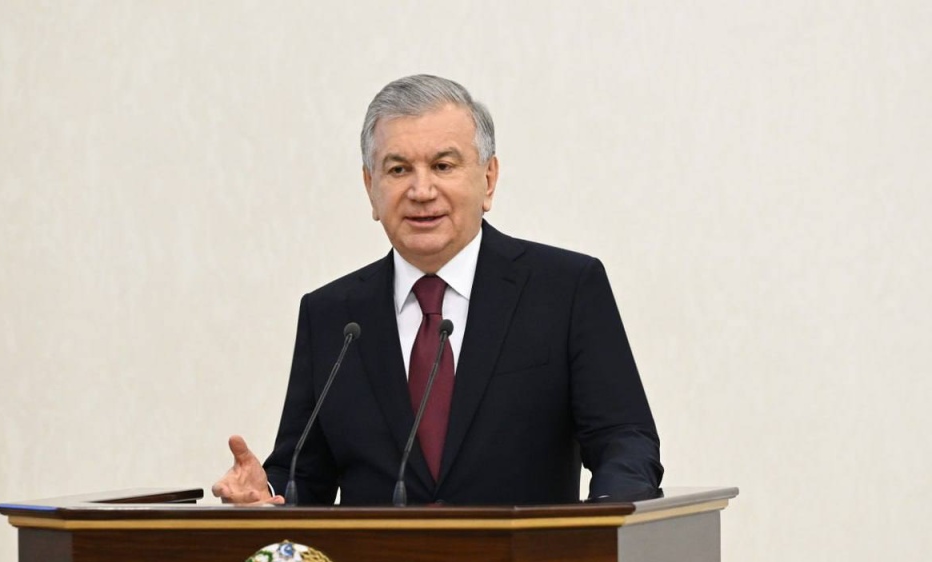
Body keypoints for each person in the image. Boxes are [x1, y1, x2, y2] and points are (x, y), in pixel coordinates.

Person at [212, 75, 662, 506]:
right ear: (371, 187)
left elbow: (625, 439)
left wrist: (607, 516)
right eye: (399, 169)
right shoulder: (333, 316)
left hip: (525, 558)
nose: (421, 190)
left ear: (488, 179)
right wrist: (266, 493)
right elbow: (303, 476)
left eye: (443, 166)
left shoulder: (565, 289)